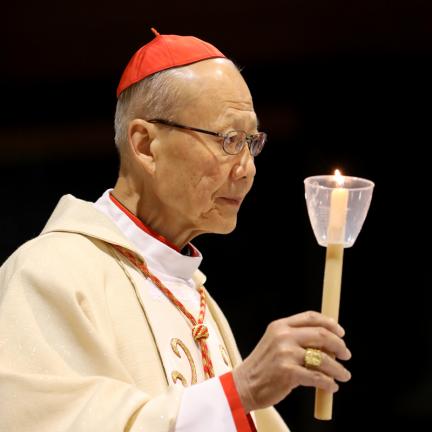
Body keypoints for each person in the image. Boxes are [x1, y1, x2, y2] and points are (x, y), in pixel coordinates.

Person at [0, 29, 351, 431]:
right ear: (146, 145)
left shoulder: (193, 297)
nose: (248, 169)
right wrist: (242, 389)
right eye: (229, 139)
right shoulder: (48, 274)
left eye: (251, 142)